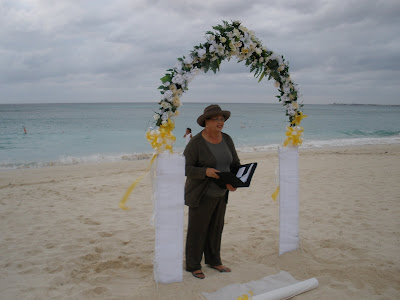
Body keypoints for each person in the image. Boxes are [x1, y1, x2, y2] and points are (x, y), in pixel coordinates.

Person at [183, 104, 241, 279]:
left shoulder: (227, 139)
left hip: (222, 193)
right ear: (206, 122)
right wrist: (204, 172)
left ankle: (214, 260)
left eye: (222, 118)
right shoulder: (196, 143)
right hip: (201, 193)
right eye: (215, 119)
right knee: (197, 230)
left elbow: (235, 164)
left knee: (216, 228)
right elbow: (184, 167)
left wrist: (236, 181)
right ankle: (193, 265)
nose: (219, 121)